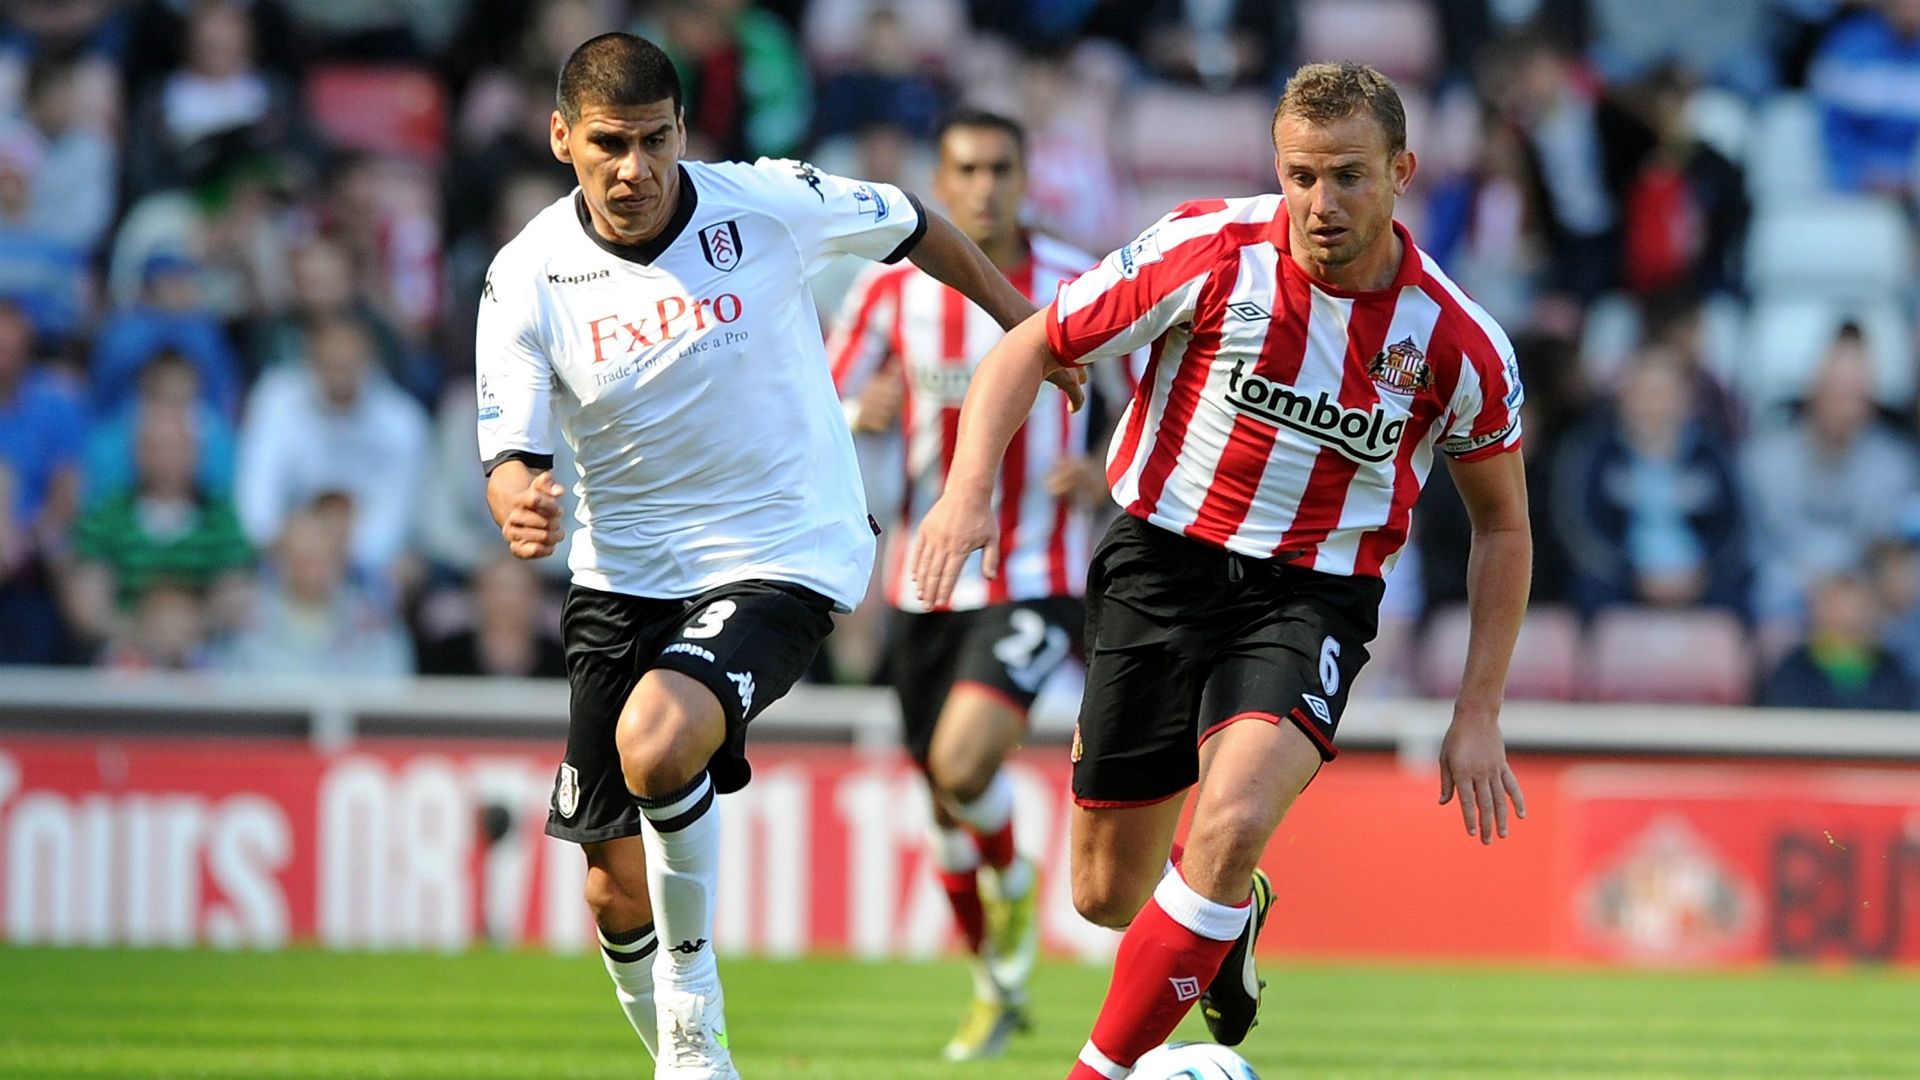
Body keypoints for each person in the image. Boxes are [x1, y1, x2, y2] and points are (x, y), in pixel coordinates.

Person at [911, 62, 1532, 1079]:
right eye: (1300, 177)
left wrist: (1480, 708)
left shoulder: (1458, 342)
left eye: (1347, 177)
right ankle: (1229, 921)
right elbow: (1032, 343)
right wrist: (967, 489)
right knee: (1107, 895)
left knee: (1231, 821)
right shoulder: (1206, 249)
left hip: (1311, 598)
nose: (1320, 205)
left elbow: (1503, 526)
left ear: (1403, 171)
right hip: (1159, 565)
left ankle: (1093, 1070)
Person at [477, 33, 1072, 1080]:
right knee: (611, 889)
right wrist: (516, 500)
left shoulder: (763, 202)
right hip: (623, 581)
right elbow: (511, 453)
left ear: (683, 133)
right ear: (561, 136)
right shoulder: (525, 279)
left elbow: (912, 221)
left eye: (656, 141)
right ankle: (686, 1058)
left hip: (785, 549)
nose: (635, 169)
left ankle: (695, 1024)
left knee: (659, 745)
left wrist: (1019, 321)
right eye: (609, 144)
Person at [828, 109, 1109, 1061]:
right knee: (946, 811)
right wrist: (852, 411)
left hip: (1038, 571)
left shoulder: (1081, 280)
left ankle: (1017, 888)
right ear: (940, 185)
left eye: (1000, 168)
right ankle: (998, 981)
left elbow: (1162, 388)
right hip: (923, 575)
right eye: (966, 170)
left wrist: (1109, 466)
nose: (984, 186)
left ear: (1027, 178)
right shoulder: (891, 293)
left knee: (961, 765)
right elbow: (814, 406)